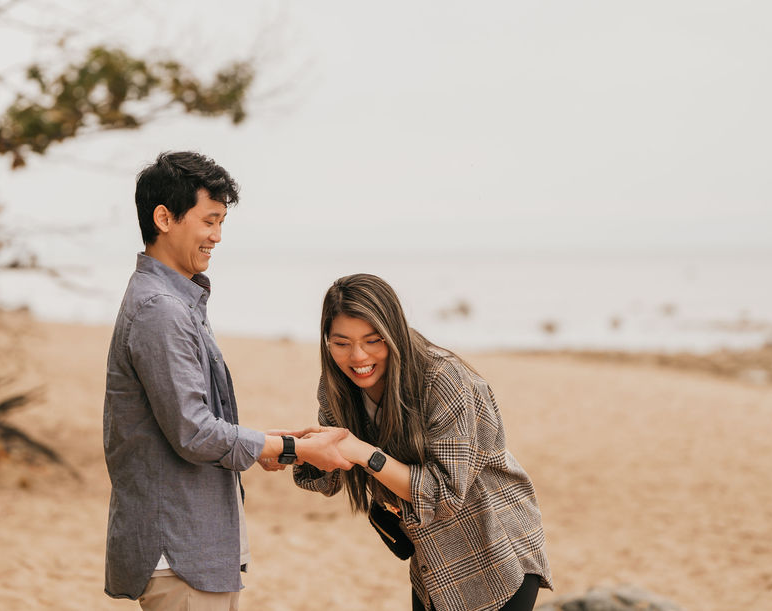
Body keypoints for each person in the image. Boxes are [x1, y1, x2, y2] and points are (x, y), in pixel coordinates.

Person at [104, 150, 351, 610]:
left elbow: (190, 419)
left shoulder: (178, 299)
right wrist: (293, 449)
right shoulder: (161, 309)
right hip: (179, 551)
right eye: (209, 220)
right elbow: (193, 432)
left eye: (222, 223)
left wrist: (266, 441)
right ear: (164, 218)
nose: (217, 236)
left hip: (198, 547)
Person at [293, 274, 553, 611]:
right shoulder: (335, 388)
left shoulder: (444, 380)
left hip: (496, 550)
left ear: (393, 332)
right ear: (327, 341)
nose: (357, 357)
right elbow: (331, 477)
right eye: (341, 343)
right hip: (434, 561)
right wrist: (295, 450)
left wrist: (366, 453)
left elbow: (444, 495)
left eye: (373, 340)